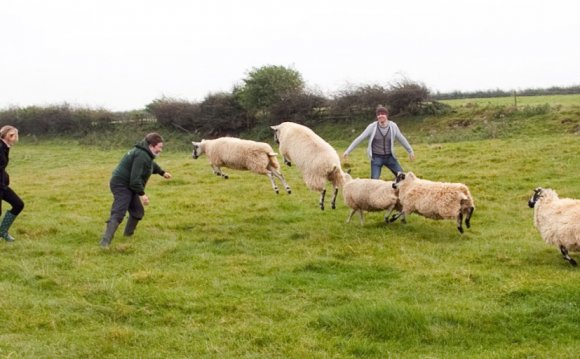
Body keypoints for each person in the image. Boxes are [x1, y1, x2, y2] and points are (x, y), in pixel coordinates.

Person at [100, 132, 172, 248]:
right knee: (119, 213)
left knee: (137, 212)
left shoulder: (145, 153)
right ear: (152, 145)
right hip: (121, 184)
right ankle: (104, 243)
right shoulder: (141, 155)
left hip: (129, 185)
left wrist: (162, 172)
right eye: (159, 147)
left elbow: (150, 164)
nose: (161, 150)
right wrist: (142, 194)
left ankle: (127, 236)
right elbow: (134, 179)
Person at [343, 105, 415, 179]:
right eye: (378, 114)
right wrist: (347, 151)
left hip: (390, 157)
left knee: (402, 177)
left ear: (386, 115)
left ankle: (396, 189)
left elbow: (401, 139)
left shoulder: (393, 126)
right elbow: (360, 138)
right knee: (374, 181)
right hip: (376, 158)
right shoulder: (372, 127)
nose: (380, 116)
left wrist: (410, 151)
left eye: (383, 114)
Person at [0, 125, 25, 242]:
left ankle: (2, 231)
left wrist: (5, 177)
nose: (16, 137)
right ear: (9, 136)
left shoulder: (5, 147)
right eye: (14, 135)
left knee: (18, 204)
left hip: (2, 185)